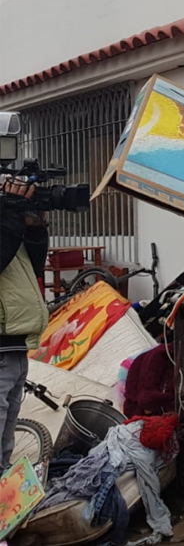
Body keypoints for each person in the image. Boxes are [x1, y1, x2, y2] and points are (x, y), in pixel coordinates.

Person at [0, 176, 50, 470]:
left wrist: (34, 228)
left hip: (15, 347)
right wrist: (10, 214)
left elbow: (32, 267)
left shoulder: (5, 218)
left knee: (5, 447)